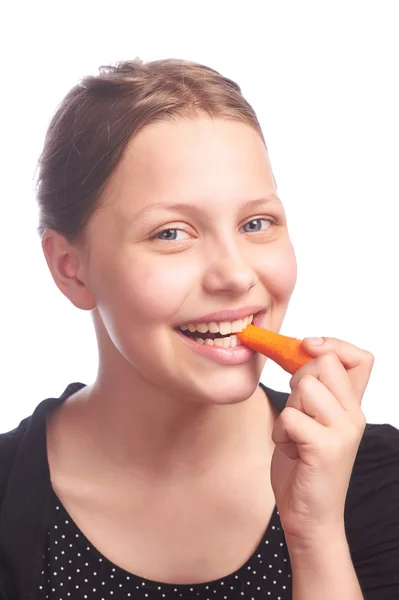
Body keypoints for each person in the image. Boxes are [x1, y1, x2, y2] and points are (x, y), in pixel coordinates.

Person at [0, 58, 398, 600]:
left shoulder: (378, 479)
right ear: (71, 268)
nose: (237, 275)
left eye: (256, 223)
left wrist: (316, 533)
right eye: (171, 233)